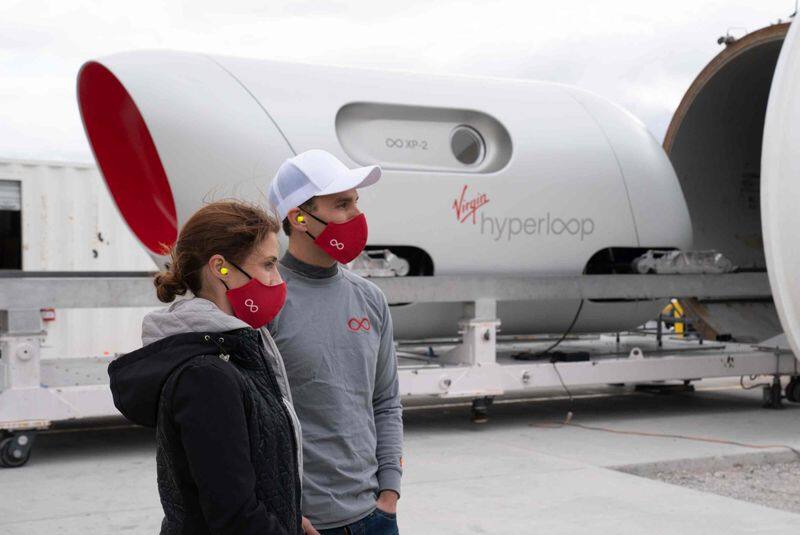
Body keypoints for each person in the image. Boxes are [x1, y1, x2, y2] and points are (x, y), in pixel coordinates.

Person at [108, 200, 310, 534]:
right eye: (269, 264)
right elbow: (234, 516)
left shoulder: (239, 350)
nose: (278, 279)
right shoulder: (205, 376)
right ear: (221, 268)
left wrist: (290, 518)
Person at [267, 149, 404, 534]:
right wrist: (284, 511)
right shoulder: (267, 302)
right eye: (341, 204)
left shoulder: (370, 299)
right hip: (302, 523)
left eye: (356, 203)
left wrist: (389, 494)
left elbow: (385, 401)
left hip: (375, 516)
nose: (355, 216)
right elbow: (251, 424)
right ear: (297, 217)